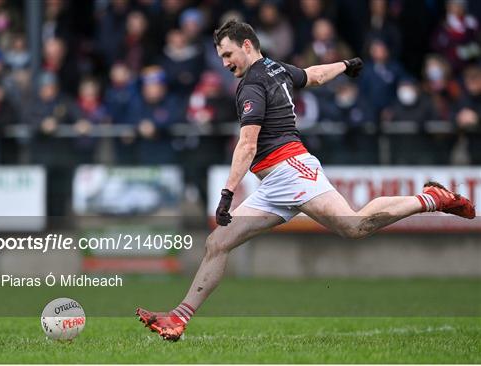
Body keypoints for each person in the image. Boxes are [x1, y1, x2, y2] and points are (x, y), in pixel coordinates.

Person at [136, 20, 476, 341]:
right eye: (220, 57)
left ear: (247, 44)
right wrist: (344, 64)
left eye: (227, 54)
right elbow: (312, 75)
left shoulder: (252, 84)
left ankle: (431, 198)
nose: (225, 63)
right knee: (217, 243)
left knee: (354, 225)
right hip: (274, 184)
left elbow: (248, 144)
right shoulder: (278, 68)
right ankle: (179, 318)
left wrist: (227, 192)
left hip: (292, 169)